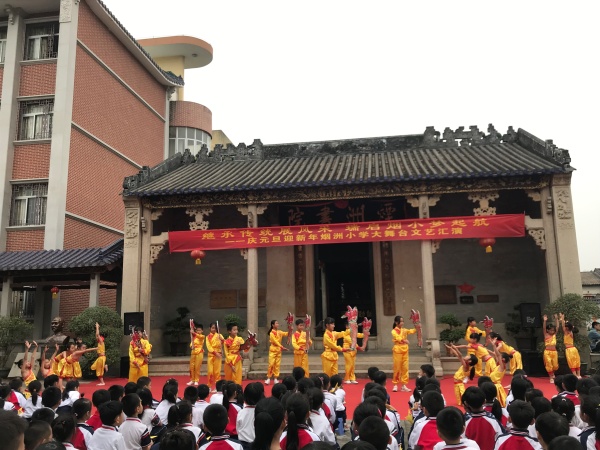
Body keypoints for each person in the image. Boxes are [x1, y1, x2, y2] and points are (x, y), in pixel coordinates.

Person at [391, 315, 418, 392]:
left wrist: (417, 326)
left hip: (405, 350)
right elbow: (397, 337)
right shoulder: (394, 331)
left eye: (403, 321)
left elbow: (412, 331)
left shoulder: (404, 330)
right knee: (397, 368)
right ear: (396, 322)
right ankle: (395, 384)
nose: (402, 323)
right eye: (401, 321)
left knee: (405, 368)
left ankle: (404, 385)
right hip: (398, 350)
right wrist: (404, 340)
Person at [237, 383, 262, 448]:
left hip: (243, 443)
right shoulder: (261, 412)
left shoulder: (241, 412)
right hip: (257, 443)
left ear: (244, 396)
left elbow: (238, 429)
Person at [266, 320, 289, 385]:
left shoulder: (279, 332)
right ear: (273, 325)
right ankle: (268, 378)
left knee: (277, 365)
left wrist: (290, 329)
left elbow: (286, 334)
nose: (278, 324)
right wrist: (281, 346)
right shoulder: (271, 333)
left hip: (278, 350)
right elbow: (275, 341)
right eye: (276, 323)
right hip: (273, 350)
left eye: (278, 323)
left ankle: (276, 378)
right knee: (271, 364)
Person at [558, 314, 581, 378]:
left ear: (567, 328)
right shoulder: (570, 332)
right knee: (576, 361)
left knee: (572, 362)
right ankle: (578, 375)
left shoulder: (568, 332)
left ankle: (576, 375)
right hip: (573, 349)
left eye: (566, 327)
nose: (565, 327)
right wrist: (563, 320)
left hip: (570, 349)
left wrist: (562, 318)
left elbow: (563, 326)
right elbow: (564, 325)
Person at [342, 320, 364, 384]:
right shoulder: (345, 333)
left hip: (353, 351)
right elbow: (352, 341)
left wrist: (365, 333)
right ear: (347, 326)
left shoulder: (353, 333)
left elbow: (359, 335)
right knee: (349, 365)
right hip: (347, 351)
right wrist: (359, 347)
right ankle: (347, 378)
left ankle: (352, 378)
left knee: (353, 365)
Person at [206, 323, 224, 393]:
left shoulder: (219, 335)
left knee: (217, 372)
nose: (214, 329)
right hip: (211, 355)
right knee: (210, 371)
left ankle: (217, 387)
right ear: (210, 328)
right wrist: (215, 353)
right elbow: (209, 346)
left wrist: (221, 340)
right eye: (212, 328)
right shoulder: (207, 337)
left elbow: (224, 342)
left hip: (218, 355)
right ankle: (209, 386)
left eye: (215, 328)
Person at [188, 320, 205, 387]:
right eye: (197, 330)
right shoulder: (194, 337)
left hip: (199, 352)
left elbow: (199, 336)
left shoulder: (202, 336)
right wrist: (191, 346)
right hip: (193, 352)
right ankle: (192, 379)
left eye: (199, 330)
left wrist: (193, 333)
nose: (198, 331)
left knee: (197, 367)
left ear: (202, 331)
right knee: (191, 367)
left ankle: (196, 380)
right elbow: (191, 343)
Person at [543, 315, 559, 383]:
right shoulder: (546, 335)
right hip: (547, 352)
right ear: (547, 330)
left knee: (555, 366)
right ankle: (551, 377)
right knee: (548, 364)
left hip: (554, 352)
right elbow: (544, 328)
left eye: (553, 330)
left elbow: (557, 327)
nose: (552, 331)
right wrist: (545, 321)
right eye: (551, 330)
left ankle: (552, 373)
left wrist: (556, 319)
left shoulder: (554, 335)